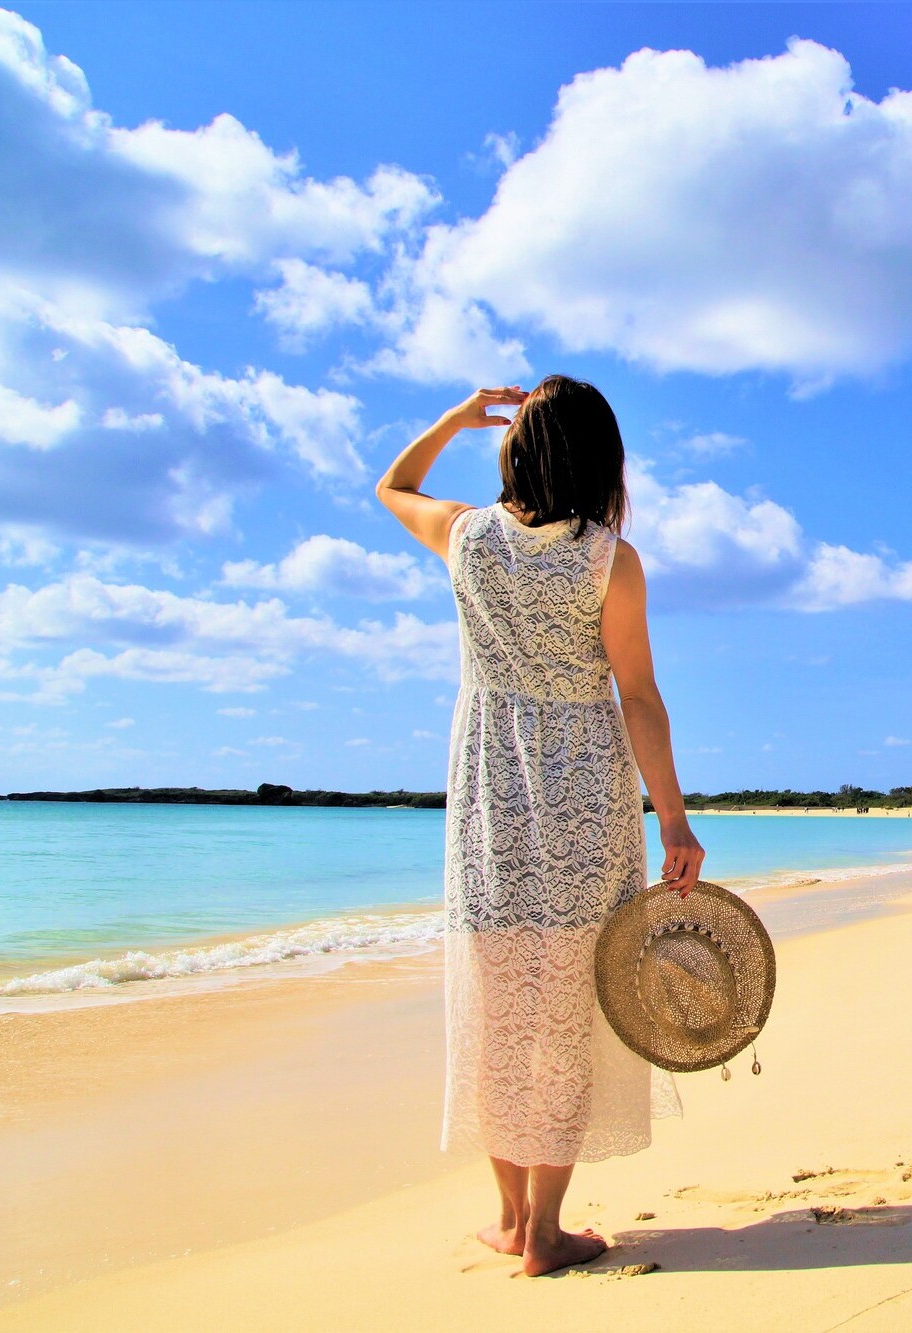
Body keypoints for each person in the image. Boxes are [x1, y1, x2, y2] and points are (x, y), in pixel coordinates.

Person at [376, 377, 704, 1276]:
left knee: (499, 1006)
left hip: (489, 799)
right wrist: (674, 821)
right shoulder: (608, 559)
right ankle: (546, 1230)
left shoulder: (467, 537)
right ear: (603, 460)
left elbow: (392, 487)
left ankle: (511, 1216)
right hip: (583, 802)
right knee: (566, 1011)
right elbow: (639, 698)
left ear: (515, 449)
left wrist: (453, 418)